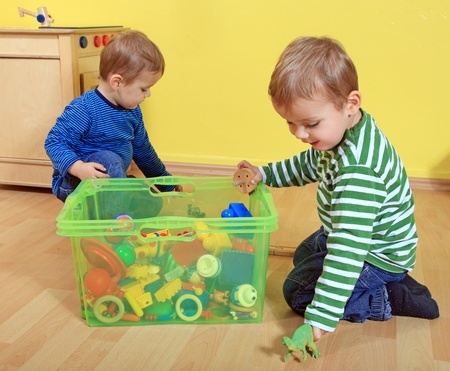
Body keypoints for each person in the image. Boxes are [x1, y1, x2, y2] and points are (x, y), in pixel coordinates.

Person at [238, 36, 439, 342]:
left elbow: (347, 250)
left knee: (296, 291)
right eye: (290, 123)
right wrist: (264, 174)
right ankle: (379, 284)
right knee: (305, 252)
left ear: (350, 103)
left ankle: (386, 297)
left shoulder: (357, 173)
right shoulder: (344, 128)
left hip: (374, 253)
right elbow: (308, 165)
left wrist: (320, 318)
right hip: (361, 235)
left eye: (310, 123)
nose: (299, 133)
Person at [45, 30, 177, 202]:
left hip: (113, 180)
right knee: (108, 159)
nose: (148, 94)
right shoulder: (84, 108)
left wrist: (165, 183)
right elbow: (54, 142)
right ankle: (117, 216)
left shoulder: (133, 111)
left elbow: (144, 151)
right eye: (144, 89)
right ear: (117, 82)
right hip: (78, 182)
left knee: (151, 200)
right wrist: (78, 168)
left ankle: (119, 205)